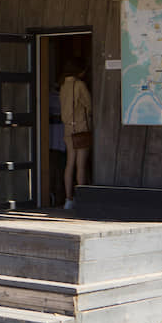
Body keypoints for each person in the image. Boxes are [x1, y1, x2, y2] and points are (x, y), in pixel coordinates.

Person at [59, 59, 91, 210]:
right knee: (81, 166)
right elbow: (89, 105)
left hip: (67, 129)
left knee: (69, 164)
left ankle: (68, 199)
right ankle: (82, 199)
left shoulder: (63, 86)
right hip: (80, 128)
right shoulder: (80, 85)